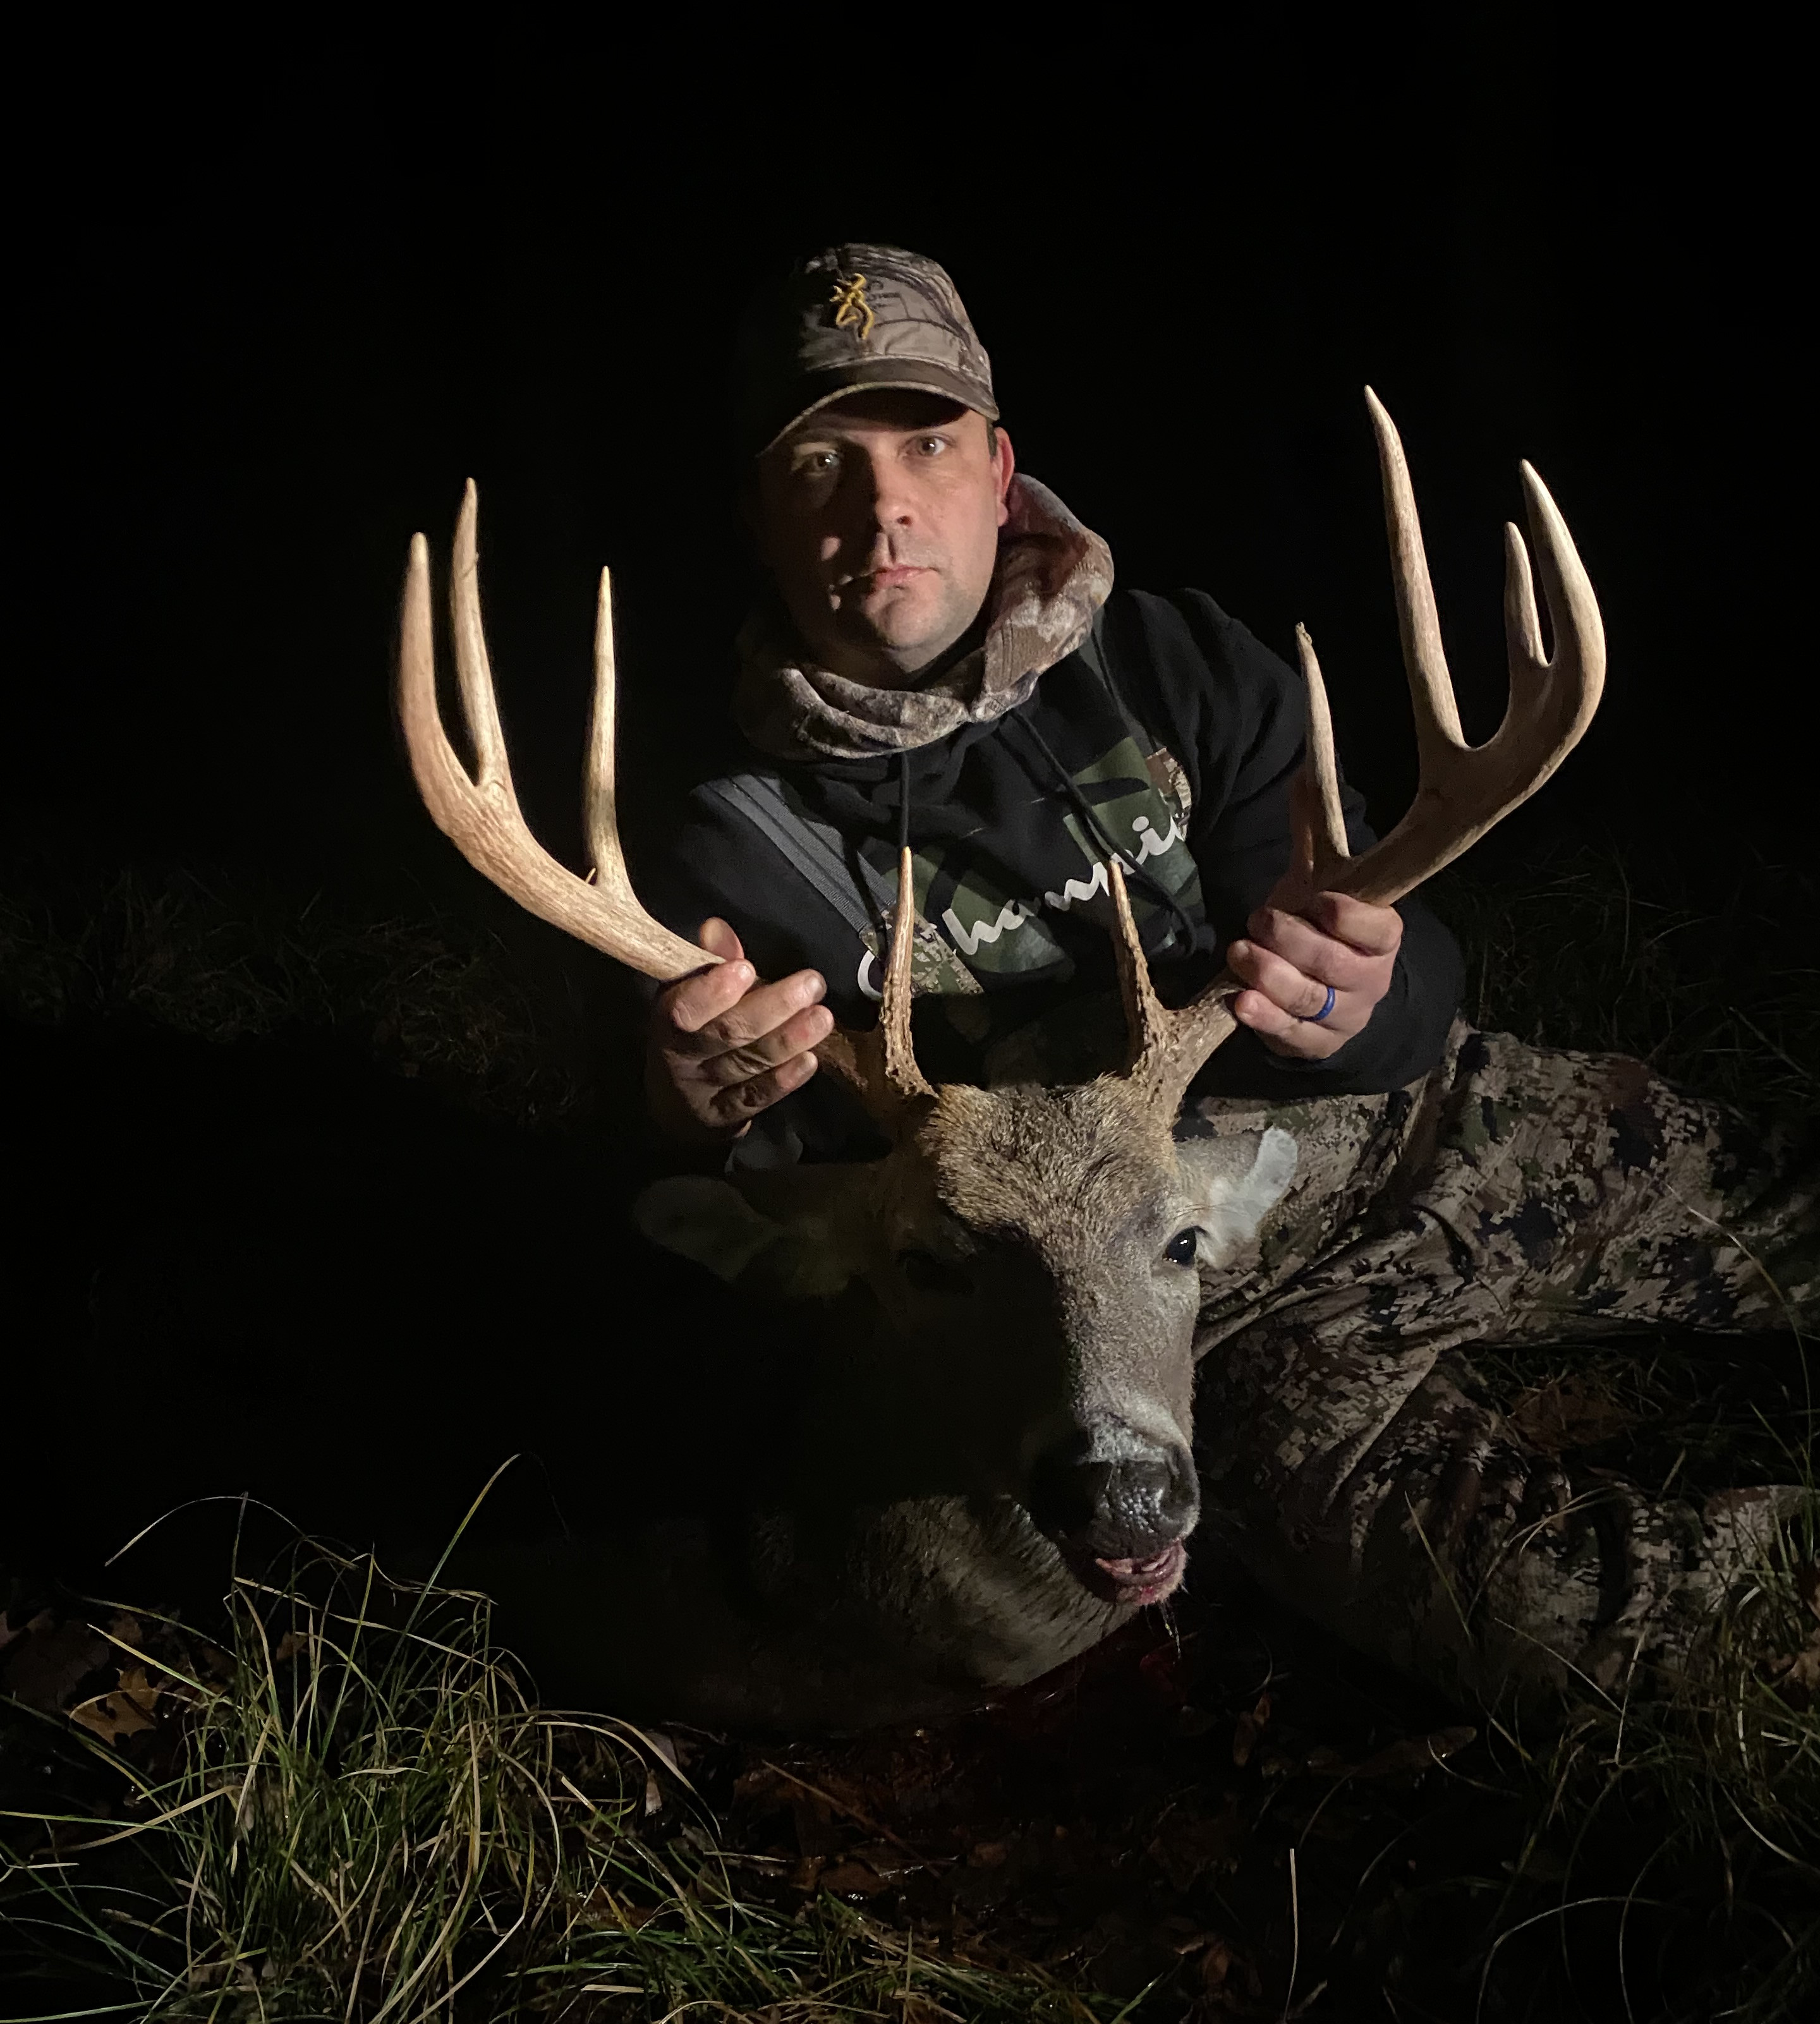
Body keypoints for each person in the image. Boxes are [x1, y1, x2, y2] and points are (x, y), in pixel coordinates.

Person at [638, 244, 1814, 1705]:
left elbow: (1398, 972)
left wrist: (1372, 994)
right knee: (1594, 1616)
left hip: (1414, 1138)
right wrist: (697, 1110)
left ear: (998, 473)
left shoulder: (1174, 666)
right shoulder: (734, 847)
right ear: (758, 517)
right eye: (821, 463)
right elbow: (807, 1206)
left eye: (927, 444)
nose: (884, 505)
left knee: (1789, 1209)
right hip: (1184, 1331)